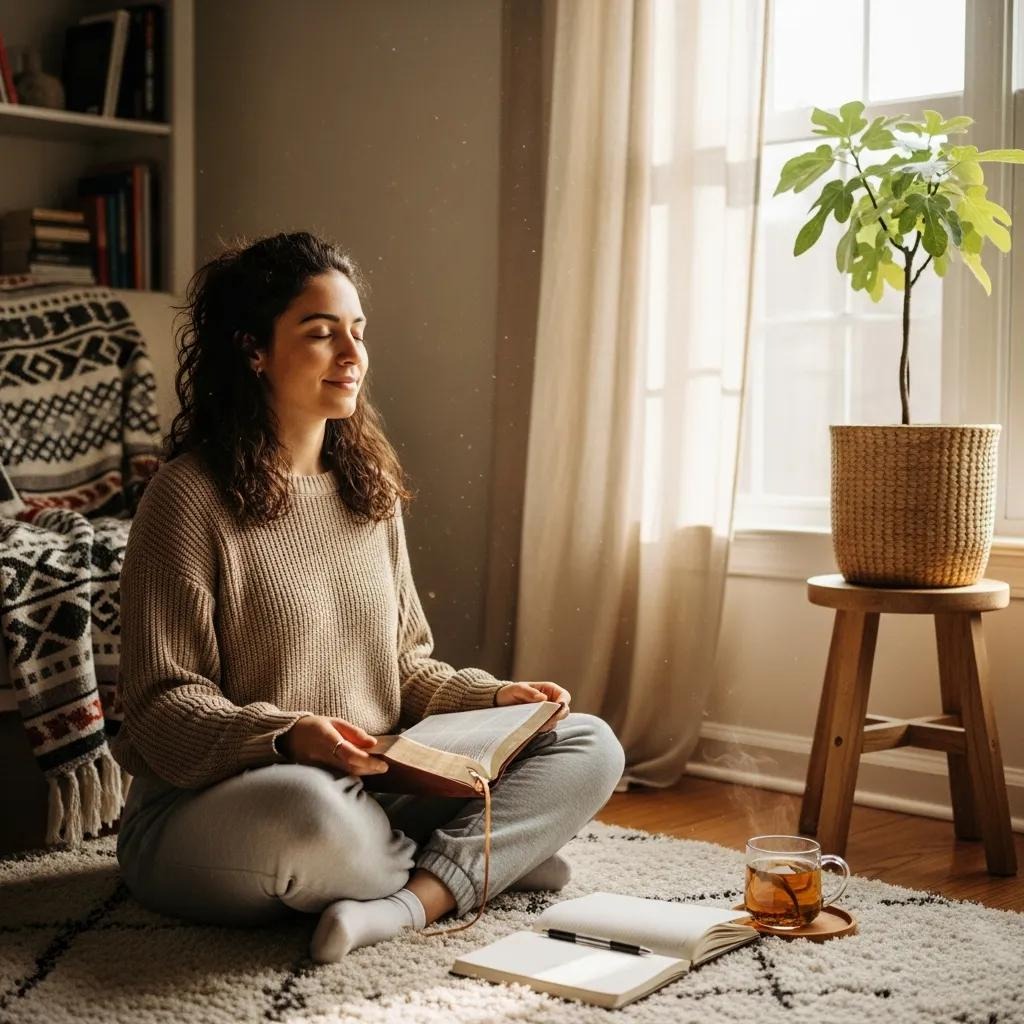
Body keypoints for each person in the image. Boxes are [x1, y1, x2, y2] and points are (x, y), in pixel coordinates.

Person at [110, 230, 626, 963]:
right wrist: (288, 737)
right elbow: (162, 706)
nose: (353, 356)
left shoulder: (368, 491)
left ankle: (412, 901)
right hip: (224, 807)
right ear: (254, 350)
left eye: (357, 332)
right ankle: (479, 867)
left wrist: (495, 699)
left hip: (372, 792)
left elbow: (405, 668)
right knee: (311, 811)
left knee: (587, 743)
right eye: (321, 335)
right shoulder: (186, 498)